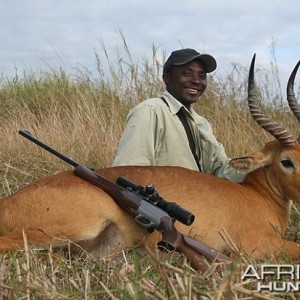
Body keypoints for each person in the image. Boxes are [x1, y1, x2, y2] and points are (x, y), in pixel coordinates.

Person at [113, 48, 244, 182]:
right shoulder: (151, 110)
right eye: (187, 73)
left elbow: (221, 170)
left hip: (198, 200)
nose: (196, 81)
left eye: (202, 76)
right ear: (167, 78)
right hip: (161, 200)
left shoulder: (201, 123)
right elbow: (129, 173)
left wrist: (261, 166)